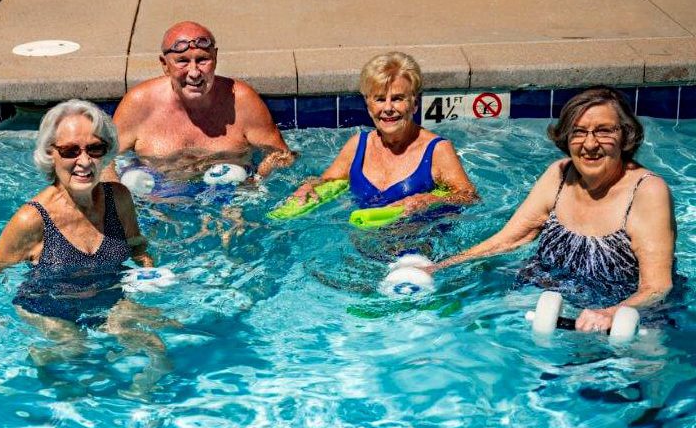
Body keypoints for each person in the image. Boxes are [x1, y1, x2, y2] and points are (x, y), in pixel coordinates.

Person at [433, 86, 676, 333]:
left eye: (603, 131)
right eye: (579, 132)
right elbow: (508, 240)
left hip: (621, 318)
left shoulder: (647, 192)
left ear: (625, 136)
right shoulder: (559, 174)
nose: (590, 144)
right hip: (543, 301)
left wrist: (609, 313)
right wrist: (439, 268)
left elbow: (656, 287)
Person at [0, 99, 166, 364]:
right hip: (47, 307)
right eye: (70, 151)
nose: (84, 161)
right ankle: (37, 359)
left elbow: (137, 247)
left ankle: (141, 402)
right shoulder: (31, 219)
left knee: (156, 347)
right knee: (75, 350)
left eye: (95, 149)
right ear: (50, 154)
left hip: (108, 297)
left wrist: (149, 274)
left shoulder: (119, 198)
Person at [106, 20, 296, 184]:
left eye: (203, 60)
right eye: (182, 61)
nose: (194, 72)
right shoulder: (139, 104)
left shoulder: (242, 101)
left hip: (228, 203)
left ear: (215, 58)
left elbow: (282, 156)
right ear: (164, 64)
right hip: (158, 202)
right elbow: (104, 161)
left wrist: (255, 183)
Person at [289, 51, 476, 213]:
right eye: (379, 99)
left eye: (397, 98)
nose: (388, 108)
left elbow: (470, 198)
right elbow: (325, 180)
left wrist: (431, 200)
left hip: (422, 247)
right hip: (361, 246)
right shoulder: (358, 145)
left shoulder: (438, 150)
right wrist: (308, 187)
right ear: (369, 107)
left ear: (414, 104)